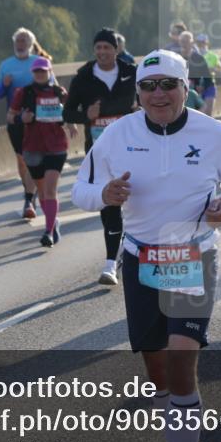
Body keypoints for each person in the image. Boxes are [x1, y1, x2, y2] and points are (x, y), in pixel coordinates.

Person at [71, 50, 221, 442]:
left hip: (193, 256)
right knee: (159, 375)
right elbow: (79, 191)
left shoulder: (213, 133)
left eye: (168, 85)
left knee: (181, 360)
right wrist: (105, 195)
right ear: (138, 92)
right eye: (149, 86)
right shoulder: (118, 134)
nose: (158, 94)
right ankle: (188, 432)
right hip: (140, 259)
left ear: (185, 87)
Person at [62, 28, 138, 286]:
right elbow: (67, 113)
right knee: (109, 203)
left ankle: (131, 245)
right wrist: (86, 116)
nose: (102, 52)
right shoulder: (83, 77)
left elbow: (151, 100)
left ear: (116, 50)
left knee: (140, 200)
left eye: (107, 47)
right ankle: (110, 264)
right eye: (98, 48)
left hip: (134, 148)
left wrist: (138, 109)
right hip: (100, 152)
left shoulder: (132, 73)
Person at [8, 57, 71, 248]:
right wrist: (21, 118)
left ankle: (48, 231)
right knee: (42, 192)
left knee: (50, 190)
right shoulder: (24, 92)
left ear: (50, 72)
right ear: (32, 73)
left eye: (44, 71)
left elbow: (70, 113)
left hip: (57, 146)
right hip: (33, 147)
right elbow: (10, 116)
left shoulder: (59, 92)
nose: (40, 74)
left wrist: (70, 123)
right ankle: (53, 221)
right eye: (37, 71)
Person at [0, 28, 42, 220]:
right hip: (14, 119)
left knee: (35, 157)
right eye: (18, 41)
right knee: (22, 159)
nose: (20, 44)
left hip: (37, 119)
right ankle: (28, 191)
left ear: (30, 44)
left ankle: (30, 197)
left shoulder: (39, 62)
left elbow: (54, 87)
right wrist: (5, 84)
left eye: (24, 41)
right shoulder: (6, 65)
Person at [194, 33, 220, 116]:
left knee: (208, 113)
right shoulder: (193, 56)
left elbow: (220, 70)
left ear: (207, 43)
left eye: (203, 42)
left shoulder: (213, 56)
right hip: (197, 86)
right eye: (198, 42)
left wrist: (212, 69)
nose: (201, 45)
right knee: (197, 114)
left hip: (209, 85)